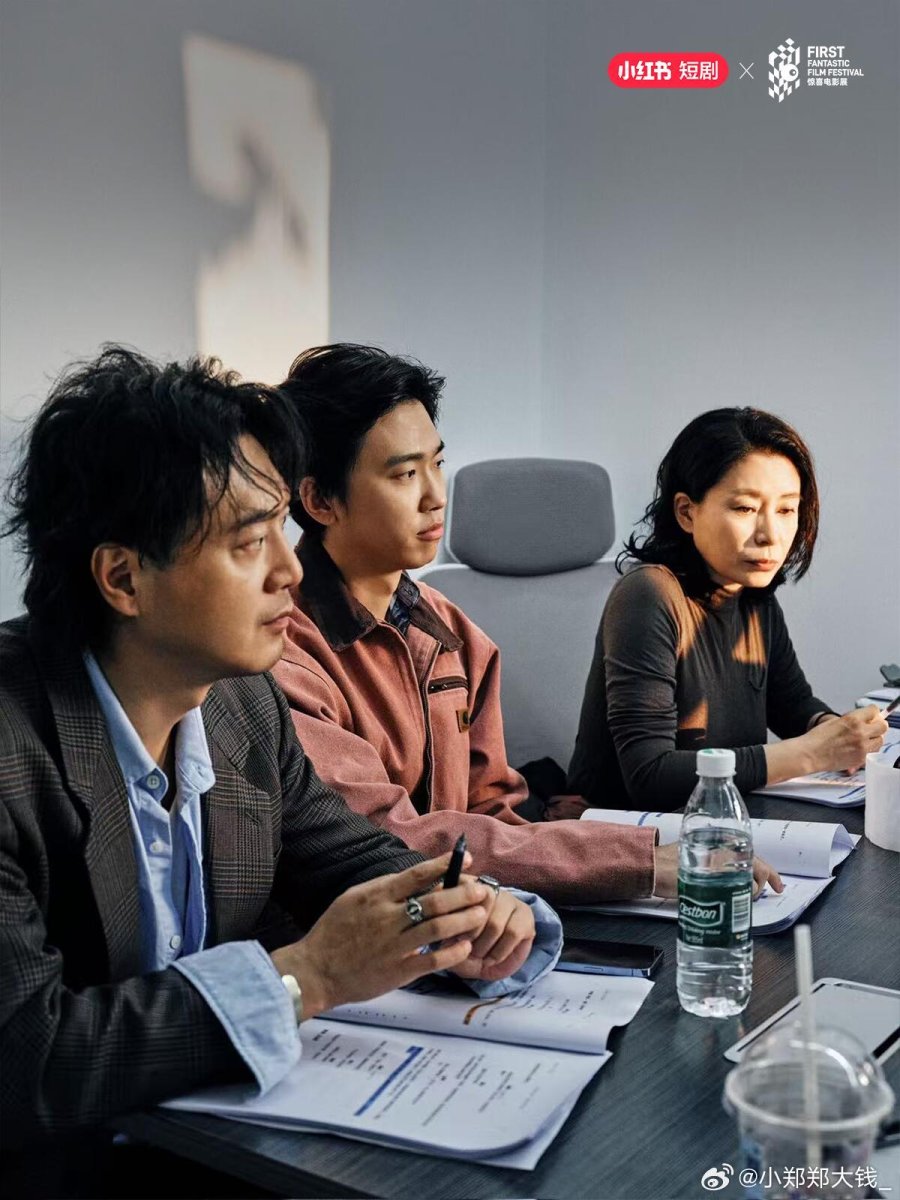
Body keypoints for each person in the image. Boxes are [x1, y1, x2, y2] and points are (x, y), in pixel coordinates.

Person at [0, 347, 547, 1189]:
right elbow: (29, 1061)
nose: (291, 570)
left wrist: (460, 912)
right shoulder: (13, 748)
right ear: (123, 577)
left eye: (283, 532)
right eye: (251, 541)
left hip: (221, 1142)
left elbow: (350, 858)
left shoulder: (240, 705)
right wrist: (307, 976)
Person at [272, 345, 782, 906]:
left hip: (467, 918)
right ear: (320, 500)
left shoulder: (454, 635)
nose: (436, 496)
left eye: (437, 465)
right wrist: (635, 861)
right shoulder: (282, 651)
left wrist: (634, 859)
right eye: (405, 474)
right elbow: (381, 839)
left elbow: (494, 816)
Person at [568, 407, 888, 810]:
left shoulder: (754, 595)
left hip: (721, 820)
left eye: (786, 509)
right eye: (745, 508)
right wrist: (812, 753)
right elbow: (650, 777)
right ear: (686, 512)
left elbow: (793, 706)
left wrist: (838, 731)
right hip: (630, 835)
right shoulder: (647, 593)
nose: (770, 535)